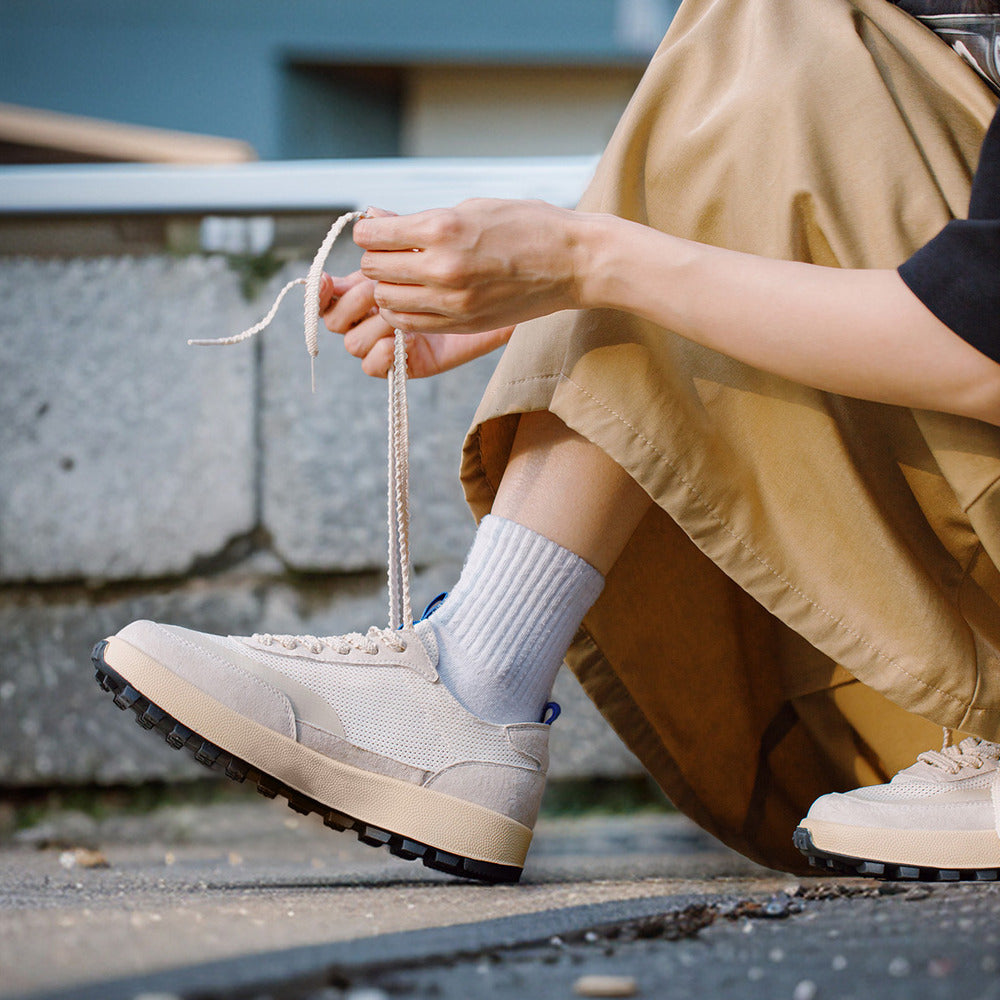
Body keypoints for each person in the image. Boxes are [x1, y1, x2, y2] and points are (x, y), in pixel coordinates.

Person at [94, 0, 999, 883]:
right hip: (920, 702)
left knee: (783, 25)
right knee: (775, 31)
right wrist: (550, 291)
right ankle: (475, 676)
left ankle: (477, 679)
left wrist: (582, 261)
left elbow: (979, 348)